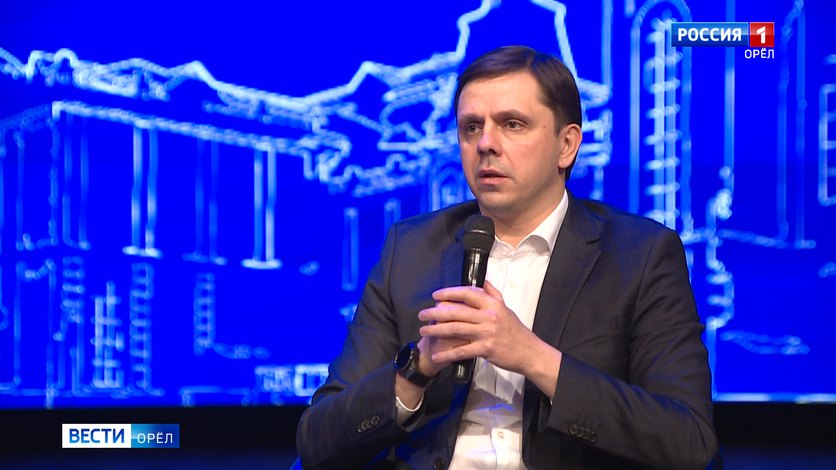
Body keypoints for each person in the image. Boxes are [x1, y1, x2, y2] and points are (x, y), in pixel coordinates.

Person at [296, 45, 719, 469]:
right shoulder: (410, 248)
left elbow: (689, 442)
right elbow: (317, 441)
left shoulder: (640, 255)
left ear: (567, 145)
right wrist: (417, 367)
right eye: (471, 127)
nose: (486, 144)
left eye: (512, 124)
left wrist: (533, 356)